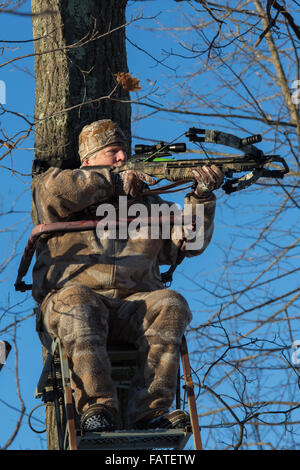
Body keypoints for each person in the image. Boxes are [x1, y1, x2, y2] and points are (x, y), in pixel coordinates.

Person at [32, 119, 223, 432]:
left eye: (124, 152)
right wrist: (113, 183)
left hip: (134, 304)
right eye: (112, 152)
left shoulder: (148, 204)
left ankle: (150, 412)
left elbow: (190, 243)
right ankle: (96, 409)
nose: (122, 158)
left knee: (171, 304)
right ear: (88, 161)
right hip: (73, 301)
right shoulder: (57, 186)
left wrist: (201, 195)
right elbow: (53, 193)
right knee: (78, 303)